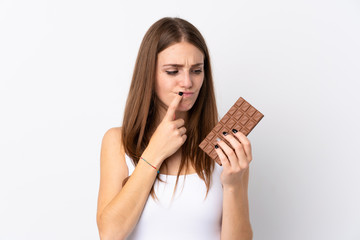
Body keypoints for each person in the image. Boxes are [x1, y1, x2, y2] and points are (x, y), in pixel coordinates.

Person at [96, 17, 253, 240]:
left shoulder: (225, 143)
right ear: (149, 74)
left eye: (197, 71)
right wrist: (154, 152)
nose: (187, 82)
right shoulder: (118, 141)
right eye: (173, 71)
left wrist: (234, 185)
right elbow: (110, 234)